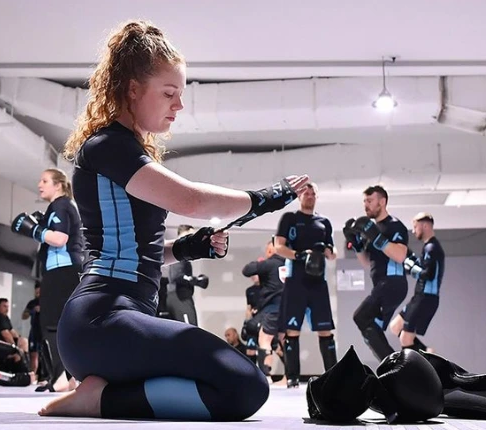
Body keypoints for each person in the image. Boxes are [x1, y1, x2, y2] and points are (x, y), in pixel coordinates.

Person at [37, 20, 309, 420]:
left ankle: (103, 392)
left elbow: (132, 249)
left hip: (124, 320)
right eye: (169, 93)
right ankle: (99, 400)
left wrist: (185, 248)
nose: (178, 106)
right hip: (101, 319)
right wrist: (268, 198)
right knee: (245, 386)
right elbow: (193, 200)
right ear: (132, 89)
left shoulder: (124, 150)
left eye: (180, 95)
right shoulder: (107, 146)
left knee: (235, 385)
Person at [11, 168, 84, 392]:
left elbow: (59, 238)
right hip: (65, 270)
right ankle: (69, 377)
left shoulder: (61, 205)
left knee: (51, 324)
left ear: (58, 185)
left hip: (62, 271)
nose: (39, 184)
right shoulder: (62, 206)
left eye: (45, 181)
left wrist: (35, 230)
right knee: (62, 324)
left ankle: (61, 376)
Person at [274, 183, 338, 388]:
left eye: (312, 194)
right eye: (306, 193)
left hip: (319, 282)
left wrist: (328, 252)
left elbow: (333, 252)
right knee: (292, 330)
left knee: (326, 330)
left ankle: (334, 377)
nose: (309, 196)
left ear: (316, 197)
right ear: (299, 196)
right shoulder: (289, 219)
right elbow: (278, 247)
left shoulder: (324, 222)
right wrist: (300, 255)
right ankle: (292, 379)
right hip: (296, 281)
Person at [345, 185, 409, 361]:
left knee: (361, 316)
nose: (366, 205)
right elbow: (368, 263)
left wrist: (377, 237)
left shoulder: (395, 226)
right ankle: (393, 366)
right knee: (371, 329)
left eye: (370, 201)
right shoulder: (371, 228)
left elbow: (400, 255)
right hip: (382, 285)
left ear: (382, 202)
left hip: (392, 283)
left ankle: (393, 365)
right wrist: (357, 245)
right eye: (365, 201)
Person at [388, 212, 444, 352]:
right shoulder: (428, 247)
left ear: (425, 226)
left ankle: (418, 367)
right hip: (419, 297)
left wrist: (412, 269)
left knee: (405, 339)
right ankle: (426, 352)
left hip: (425, 298)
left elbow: (428, 275)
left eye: (415, 227)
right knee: (395, 327)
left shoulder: (432, 248)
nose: (413, 231)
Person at [241, 238, 287, 378]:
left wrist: (260, 263)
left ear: (270, 250)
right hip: (288, 309)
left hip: (272, 309)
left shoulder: (269, 264)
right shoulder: (289, 265)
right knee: (283, 342)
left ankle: (265, 376)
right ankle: (290, 377)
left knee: (264, 339)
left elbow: (247, 270)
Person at [165, 225, 210, 326]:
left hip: (178, 295)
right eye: (190, 235)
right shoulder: (177, 252)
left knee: (185, 333)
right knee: (190, 331)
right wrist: (196, 280)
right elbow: (177, 276)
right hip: (180, 297)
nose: (192, 239)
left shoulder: (176, 252)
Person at [0, 298, 29, 374]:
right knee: (18, 351)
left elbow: (12, 332)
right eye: (4, 306)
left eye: (7, 306)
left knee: (23, 341)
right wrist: (15, 349)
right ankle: (23, 371)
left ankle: (24, 368)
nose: (7, 309)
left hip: (1, 346)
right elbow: (6, 335)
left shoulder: (5, 317)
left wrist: (19, 341)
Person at [22, 283, 42, 374]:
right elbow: (24, 316)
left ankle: (47, 376)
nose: (38, 292)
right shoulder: (32, 303)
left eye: (39, 290)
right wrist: (32, 311)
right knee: (33, 354)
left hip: (44, 331)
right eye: (36, 291)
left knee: (45, 355)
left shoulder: (47, 301)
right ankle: (33, 375)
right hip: (34, 331)